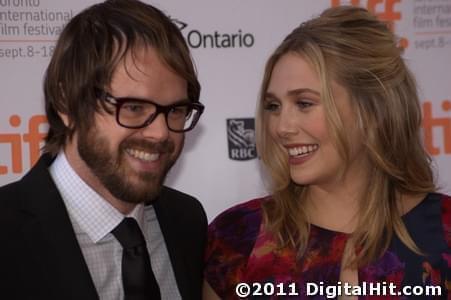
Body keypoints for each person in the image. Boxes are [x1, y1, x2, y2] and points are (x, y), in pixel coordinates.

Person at [204, 6, 451, 299]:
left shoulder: (445, 229)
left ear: (373, 110)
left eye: (304, 103)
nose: (282, 127)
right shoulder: (237, 237)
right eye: (273, 106)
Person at [0, 0, 207, 299]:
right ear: (67, 102)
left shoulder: (187, 220)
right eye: (134, 107)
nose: (161, 132)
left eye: (176, 110)